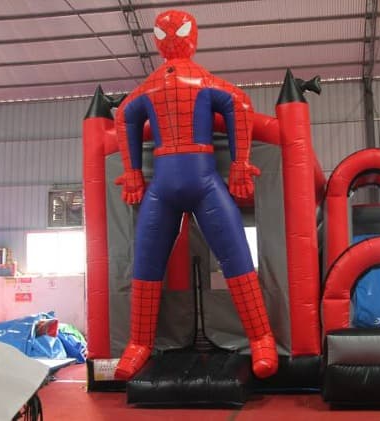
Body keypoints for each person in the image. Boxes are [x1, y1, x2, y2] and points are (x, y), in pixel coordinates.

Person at [113, 9, 278, 380]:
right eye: (167, 32)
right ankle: (139, 343)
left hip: (192, 184)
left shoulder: (178, 84)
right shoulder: (185, 84)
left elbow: (238, 103)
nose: (172, 37)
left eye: (176, 31)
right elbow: (239, 102)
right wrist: (133, 173)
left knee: (235, 255)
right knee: (148, 261)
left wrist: (240, 164)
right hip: (184, 185)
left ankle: (261, 338)